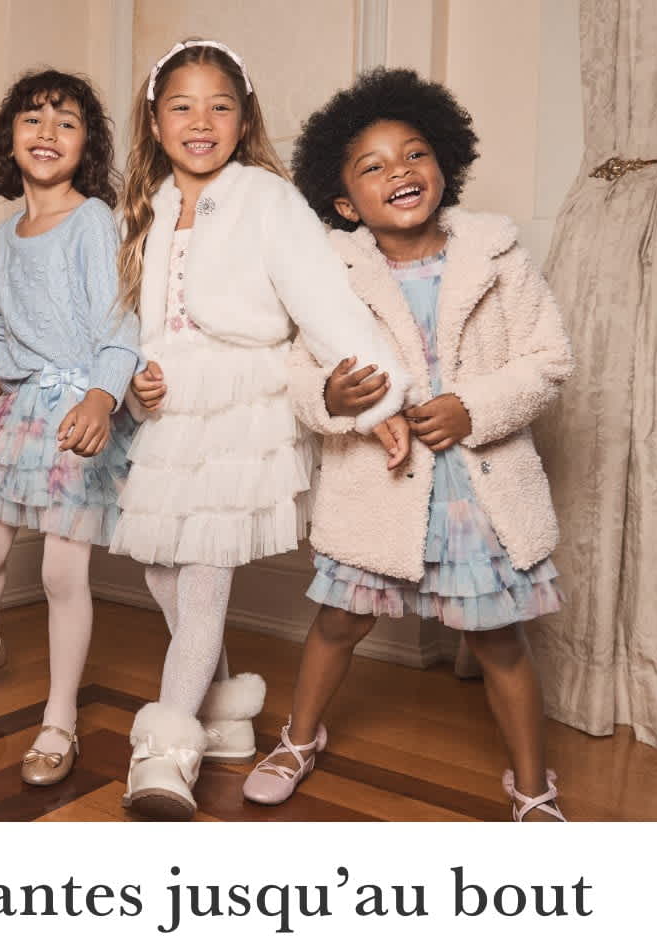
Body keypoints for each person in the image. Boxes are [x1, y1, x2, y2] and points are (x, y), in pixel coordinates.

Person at [243, 68, 573, 821]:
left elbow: (548, 359)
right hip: (380, 489)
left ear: (443, 164)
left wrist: (473, 408)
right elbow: (300, 375)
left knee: (498, 639)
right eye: (373, 166)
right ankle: (299, 738)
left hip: (477, 491)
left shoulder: (497, 257)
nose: (399, 171)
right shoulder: (330, 275)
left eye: (414, 153)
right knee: (338, 622)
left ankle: (532, 786)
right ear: (343, 203)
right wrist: (334, 400)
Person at [111, 40, 412, 821]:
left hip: (242, 401)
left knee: (202, 577)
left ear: (244, 121)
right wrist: (138, 380)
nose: (200, 122)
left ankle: (163, 753)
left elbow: (322, 300)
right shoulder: (146, 207)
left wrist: (378, 398)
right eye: (182, 106)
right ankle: (226, 711)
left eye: (219, 106)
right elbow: (138, 322)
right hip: (174, 409)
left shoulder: (265, 198)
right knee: (161, 572)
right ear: (154, 121)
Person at [0, 70, 140, 790]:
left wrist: (101, 400)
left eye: (66, 122)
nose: (47, 133)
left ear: (87, 145)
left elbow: (120, 326)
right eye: (33, 119)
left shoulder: (92, 220)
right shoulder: (1, 237)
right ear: (9, 139)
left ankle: (60, 714)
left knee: (59, 572)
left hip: (77, 413)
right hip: (16, 415)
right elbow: (4, 342)